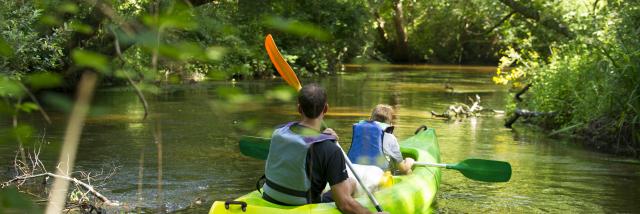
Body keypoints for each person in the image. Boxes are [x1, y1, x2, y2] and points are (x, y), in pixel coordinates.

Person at [262, 83, 379, 214]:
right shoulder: (331, 150)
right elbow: (344, 204)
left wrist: (322, 136)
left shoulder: (278, 132)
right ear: (326, 109)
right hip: (303, 205)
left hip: (269, 196)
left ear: (299, 109)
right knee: (351, 183)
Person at [347, 104, 415, 174]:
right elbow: (402, 168)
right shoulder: (390, 138)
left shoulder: (359, 132)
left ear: (370, 119)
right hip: (378, 176)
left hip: (354, 173)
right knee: (408, 171)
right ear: (390, 124)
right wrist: (409, 161)